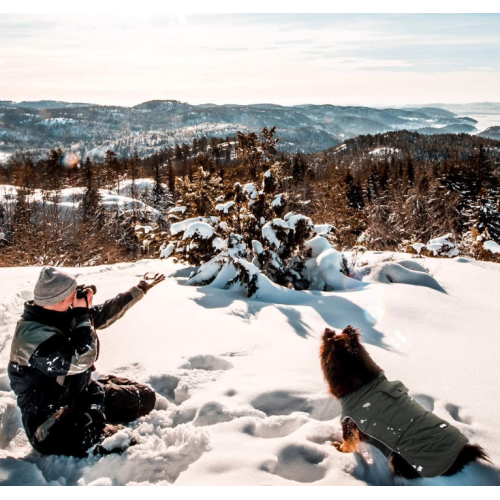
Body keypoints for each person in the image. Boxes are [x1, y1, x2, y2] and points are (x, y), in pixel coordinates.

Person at [8, 266, 165, 457]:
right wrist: (82, 315)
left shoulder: (56, 314)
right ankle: (98, 422)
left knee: (145, 397)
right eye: (73, 294)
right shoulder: (32, 340)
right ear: (59, 300)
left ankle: (101, 395)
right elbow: (83, 358)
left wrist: (140, 289)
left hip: (81, 395)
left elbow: (103, 313)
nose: (76, 298)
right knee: (126, 444)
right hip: (53, 426)